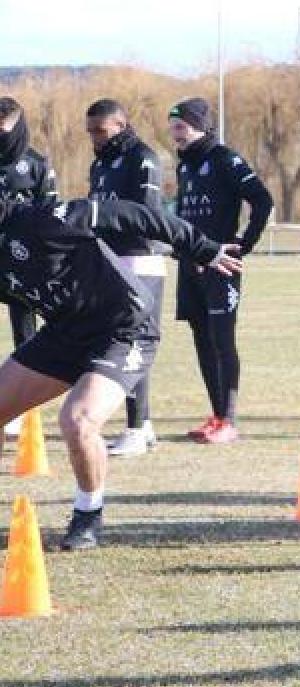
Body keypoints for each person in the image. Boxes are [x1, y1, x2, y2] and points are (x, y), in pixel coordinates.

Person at [0, 197, 242, 550]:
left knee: (78, 420)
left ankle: (88, 514)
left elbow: (137, 215)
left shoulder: (43, 219)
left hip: (124, 329)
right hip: (64, 334)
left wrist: (201, 248)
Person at [169, 97, 273, 444]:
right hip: (190, 265)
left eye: (180, 125)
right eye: (173, 126)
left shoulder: (224, 158)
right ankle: (215, 416)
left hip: (222, 265)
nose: (175, 133)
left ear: (199, 125)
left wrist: (245, 243)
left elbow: (262, 199)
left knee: (222, 340)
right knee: (201, 338)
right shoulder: (184, 165)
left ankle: (229, 419)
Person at [85, 98, 167, 457]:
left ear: (120, 125)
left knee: (133, 344)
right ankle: (143, 424)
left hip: (140, 260)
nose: (94, 138)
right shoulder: (100, 163)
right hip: (110, 260)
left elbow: (145, 215)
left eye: (100, 131)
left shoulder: (142, 158)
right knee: (112, 342)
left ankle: (135, 428)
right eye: (90, 132)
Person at [0, 96, 58, 439]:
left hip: (22, 264)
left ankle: (23, 411)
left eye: (4, 131)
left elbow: (52, 215)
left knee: (26, 335)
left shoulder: (36, 164)